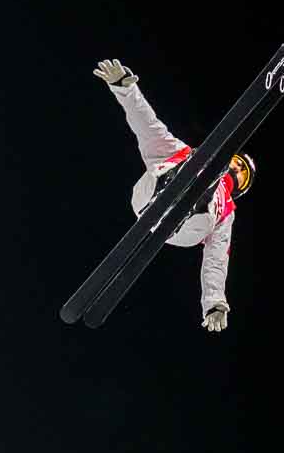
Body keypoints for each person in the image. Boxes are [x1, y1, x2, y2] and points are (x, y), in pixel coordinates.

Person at [93, 59, 255, 333]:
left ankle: (189, 202)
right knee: (183, 158)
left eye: (241, 172)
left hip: (185, 228)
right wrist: (123, 88)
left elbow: (216, 258)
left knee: (211, 191)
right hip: (149, 197)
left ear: (241, 186)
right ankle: (177, 191)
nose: (236, 167)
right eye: (236, 162)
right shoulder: (183, 152)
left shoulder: (228, 209)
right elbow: (147, 125)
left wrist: (214, 302)